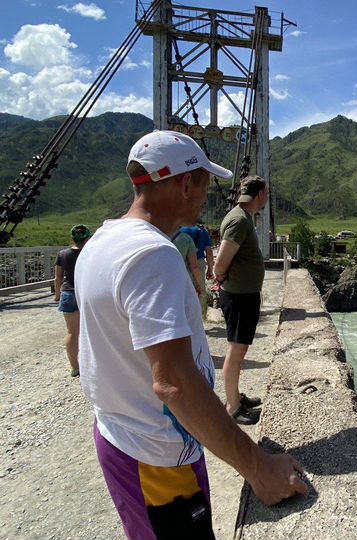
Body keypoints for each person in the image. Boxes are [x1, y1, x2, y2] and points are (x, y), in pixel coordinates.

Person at [74, 131, 307, 540]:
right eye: (204, 182)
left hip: (123, 438)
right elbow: (174, 383)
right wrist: (260, 468)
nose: (207, 195)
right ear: (185, 182)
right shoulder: (153, 256)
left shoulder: (101, 240)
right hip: (158, 456)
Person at [213, 176, 268, 426]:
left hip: (243, 294)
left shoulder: (242, 217)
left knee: (239, 349)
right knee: (236, 351)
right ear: (259, 195)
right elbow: (221, 262)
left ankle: (236, 397)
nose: (266, 198)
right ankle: (233, 407)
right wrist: (221, 277)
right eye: (266, 193)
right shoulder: (239, 220)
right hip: (238, 296)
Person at [54, 223, 91, 377]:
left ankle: (75, 368)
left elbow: (58, 278)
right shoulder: (91, 253)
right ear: (88, 237)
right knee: (90, 331)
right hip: (87, 293)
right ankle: (92, 364)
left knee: (72, 332)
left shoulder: (62, 254)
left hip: (69, 293)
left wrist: (57, 295)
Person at [172, 229, 205, 297]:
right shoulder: (186, 238)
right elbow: (194, 266)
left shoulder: (156, 236)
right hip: (183, 281)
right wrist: (200, 285)